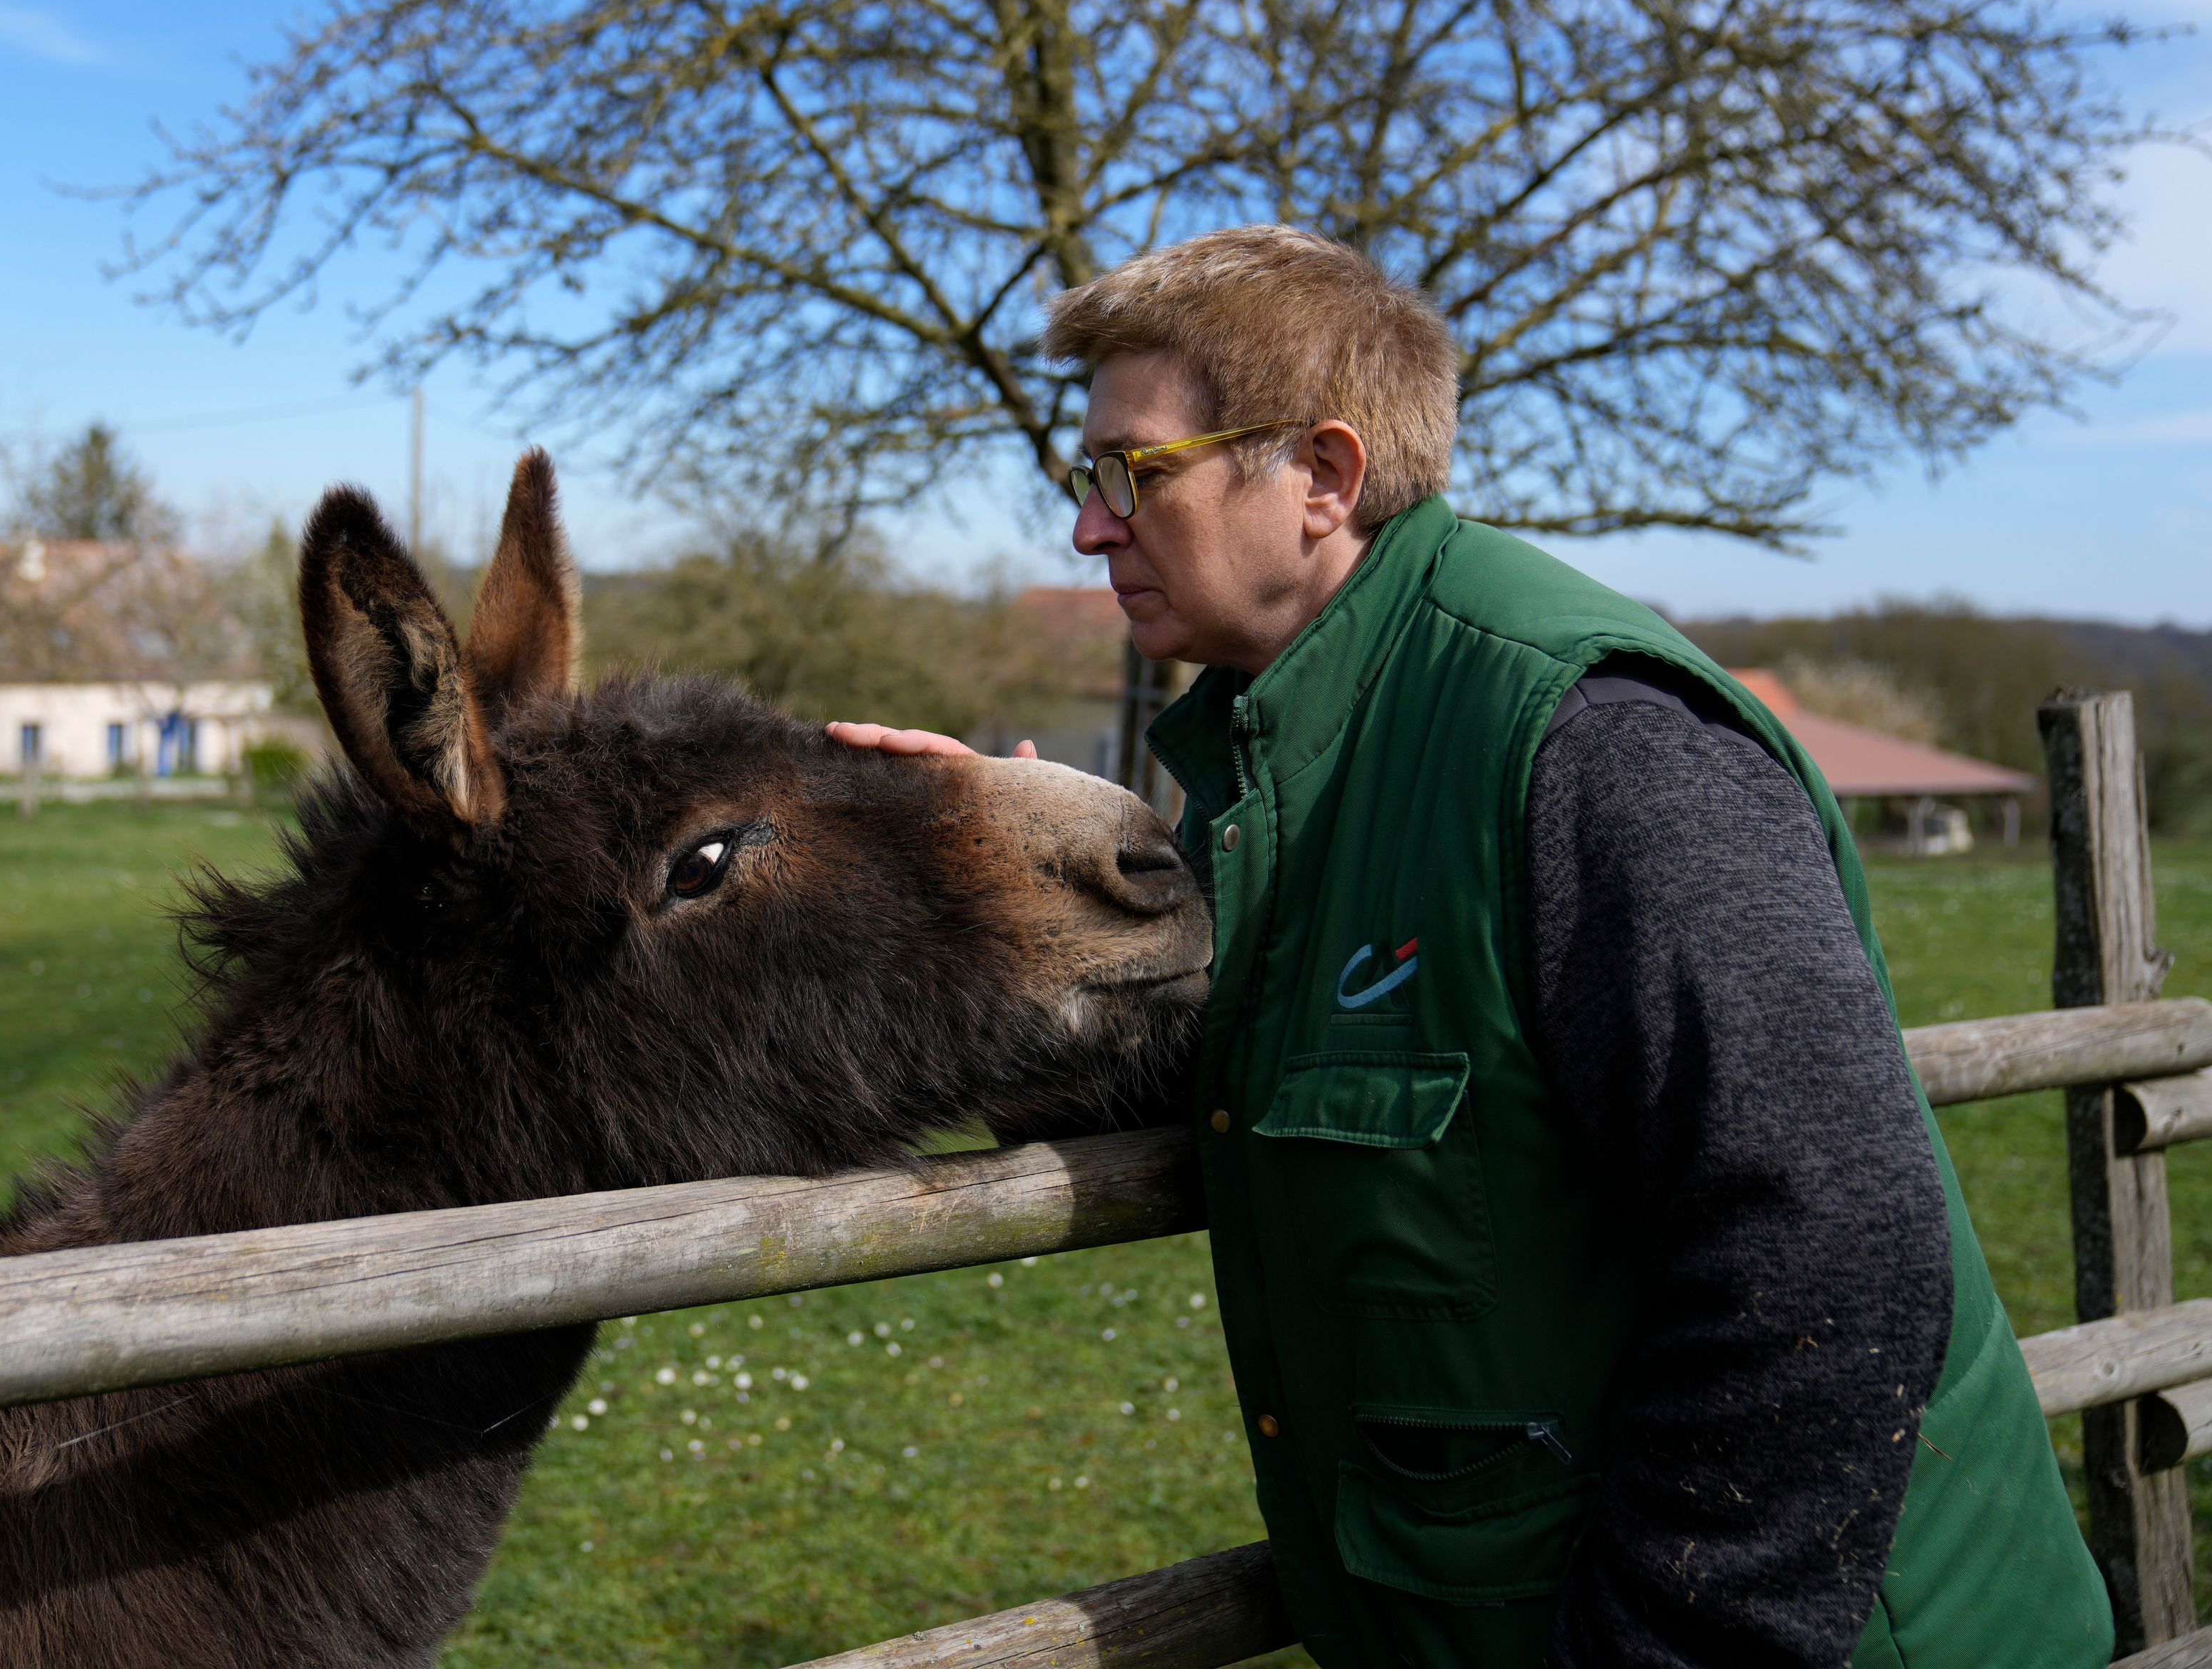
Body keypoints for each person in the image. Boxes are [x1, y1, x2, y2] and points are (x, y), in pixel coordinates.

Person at [828, 227, 2107, 1669]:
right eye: (1084, 478)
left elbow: (1834, 1240)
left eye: (1132, 472)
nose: (1088, 527)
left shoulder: (1589, 738)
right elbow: (1245, 1097)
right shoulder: (1290, 766)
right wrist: (992, 894)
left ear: (1323, 474)